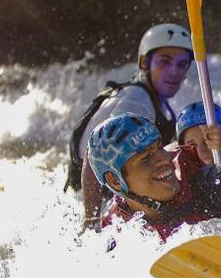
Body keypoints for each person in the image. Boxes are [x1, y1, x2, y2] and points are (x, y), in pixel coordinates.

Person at [65, 23, 194, 228]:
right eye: (164, 62)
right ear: (144, 62)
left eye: (182, 64)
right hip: (98, 200)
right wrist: (91, 224)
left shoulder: (154, 100)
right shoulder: (135, 102)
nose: (173, 72)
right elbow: (94, 157)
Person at [87, 113, 221, 241]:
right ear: (115, 182)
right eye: (146, 158)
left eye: (159, 148)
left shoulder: (213, 182)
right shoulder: (115, 230)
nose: (164, 160)